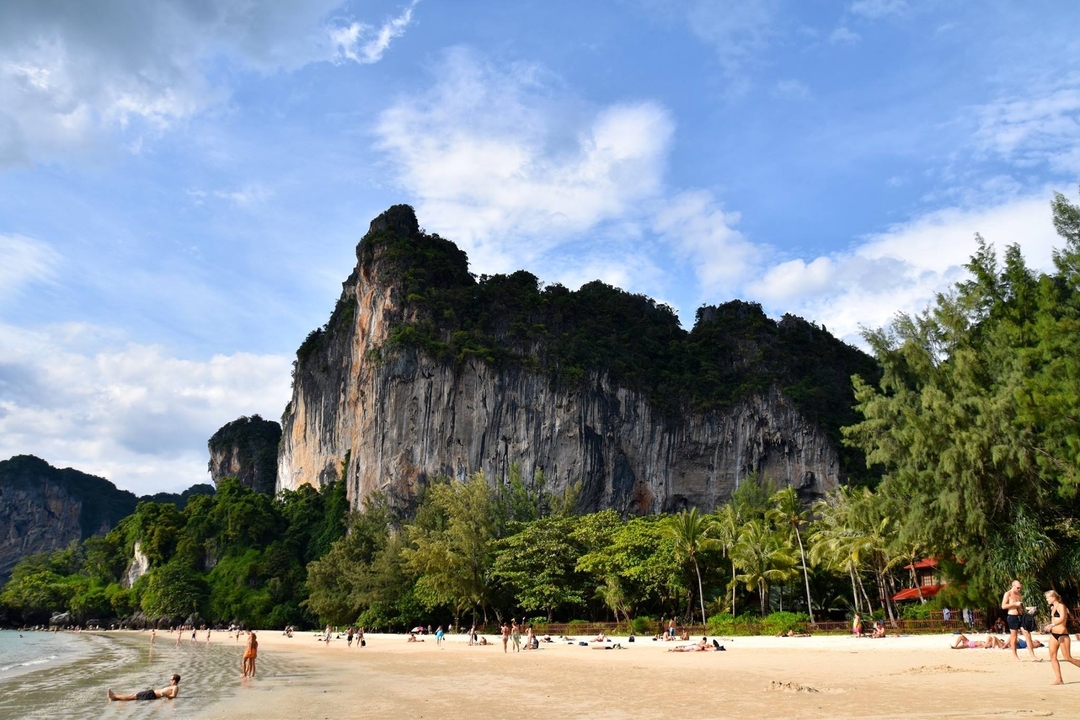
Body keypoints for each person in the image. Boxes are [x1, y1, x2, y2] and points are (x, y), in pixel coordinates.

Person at [1045, 589, 1080, 685]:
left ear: (1053, 597)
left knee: (1068, 657)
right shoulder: (1053, 607)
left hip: (1062, 635)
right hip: (1053, 635)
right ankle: (1059, 679)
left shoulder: (1061, 606)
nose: (1047, 600)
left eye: (1048, 598)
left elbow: (1062, 618)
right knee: (1052, 656)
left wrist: (1051, 625)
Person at [1001, 579, 1039, 661]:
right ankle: (1015, 656)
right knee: (1014, 636)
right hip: (1012, 616)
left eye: (1020, 588)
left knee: (1027, 634)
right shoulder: (1008, 594)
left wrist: (1029, 609)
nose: (1019, 589)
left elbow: (1021, 606)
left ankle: (1032, 656)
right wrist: (1014, 604)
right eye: (1018, 588)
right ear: (1013, 586)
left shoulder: (1019, 594)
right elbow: (1003, 606)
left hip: (1021, 616)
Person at [108, 674, 180, 701]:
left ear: (174, 680)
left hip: (152, 695)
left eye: (171, 679)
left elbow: (173, 696)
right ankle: (115, 697)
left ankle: (114, 696)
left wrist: (165, 695)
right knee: (133, 695)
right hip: (151, 693)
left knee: (132, 696)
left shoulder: (175, 687)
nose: (170, 680)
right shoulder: (172, 686)